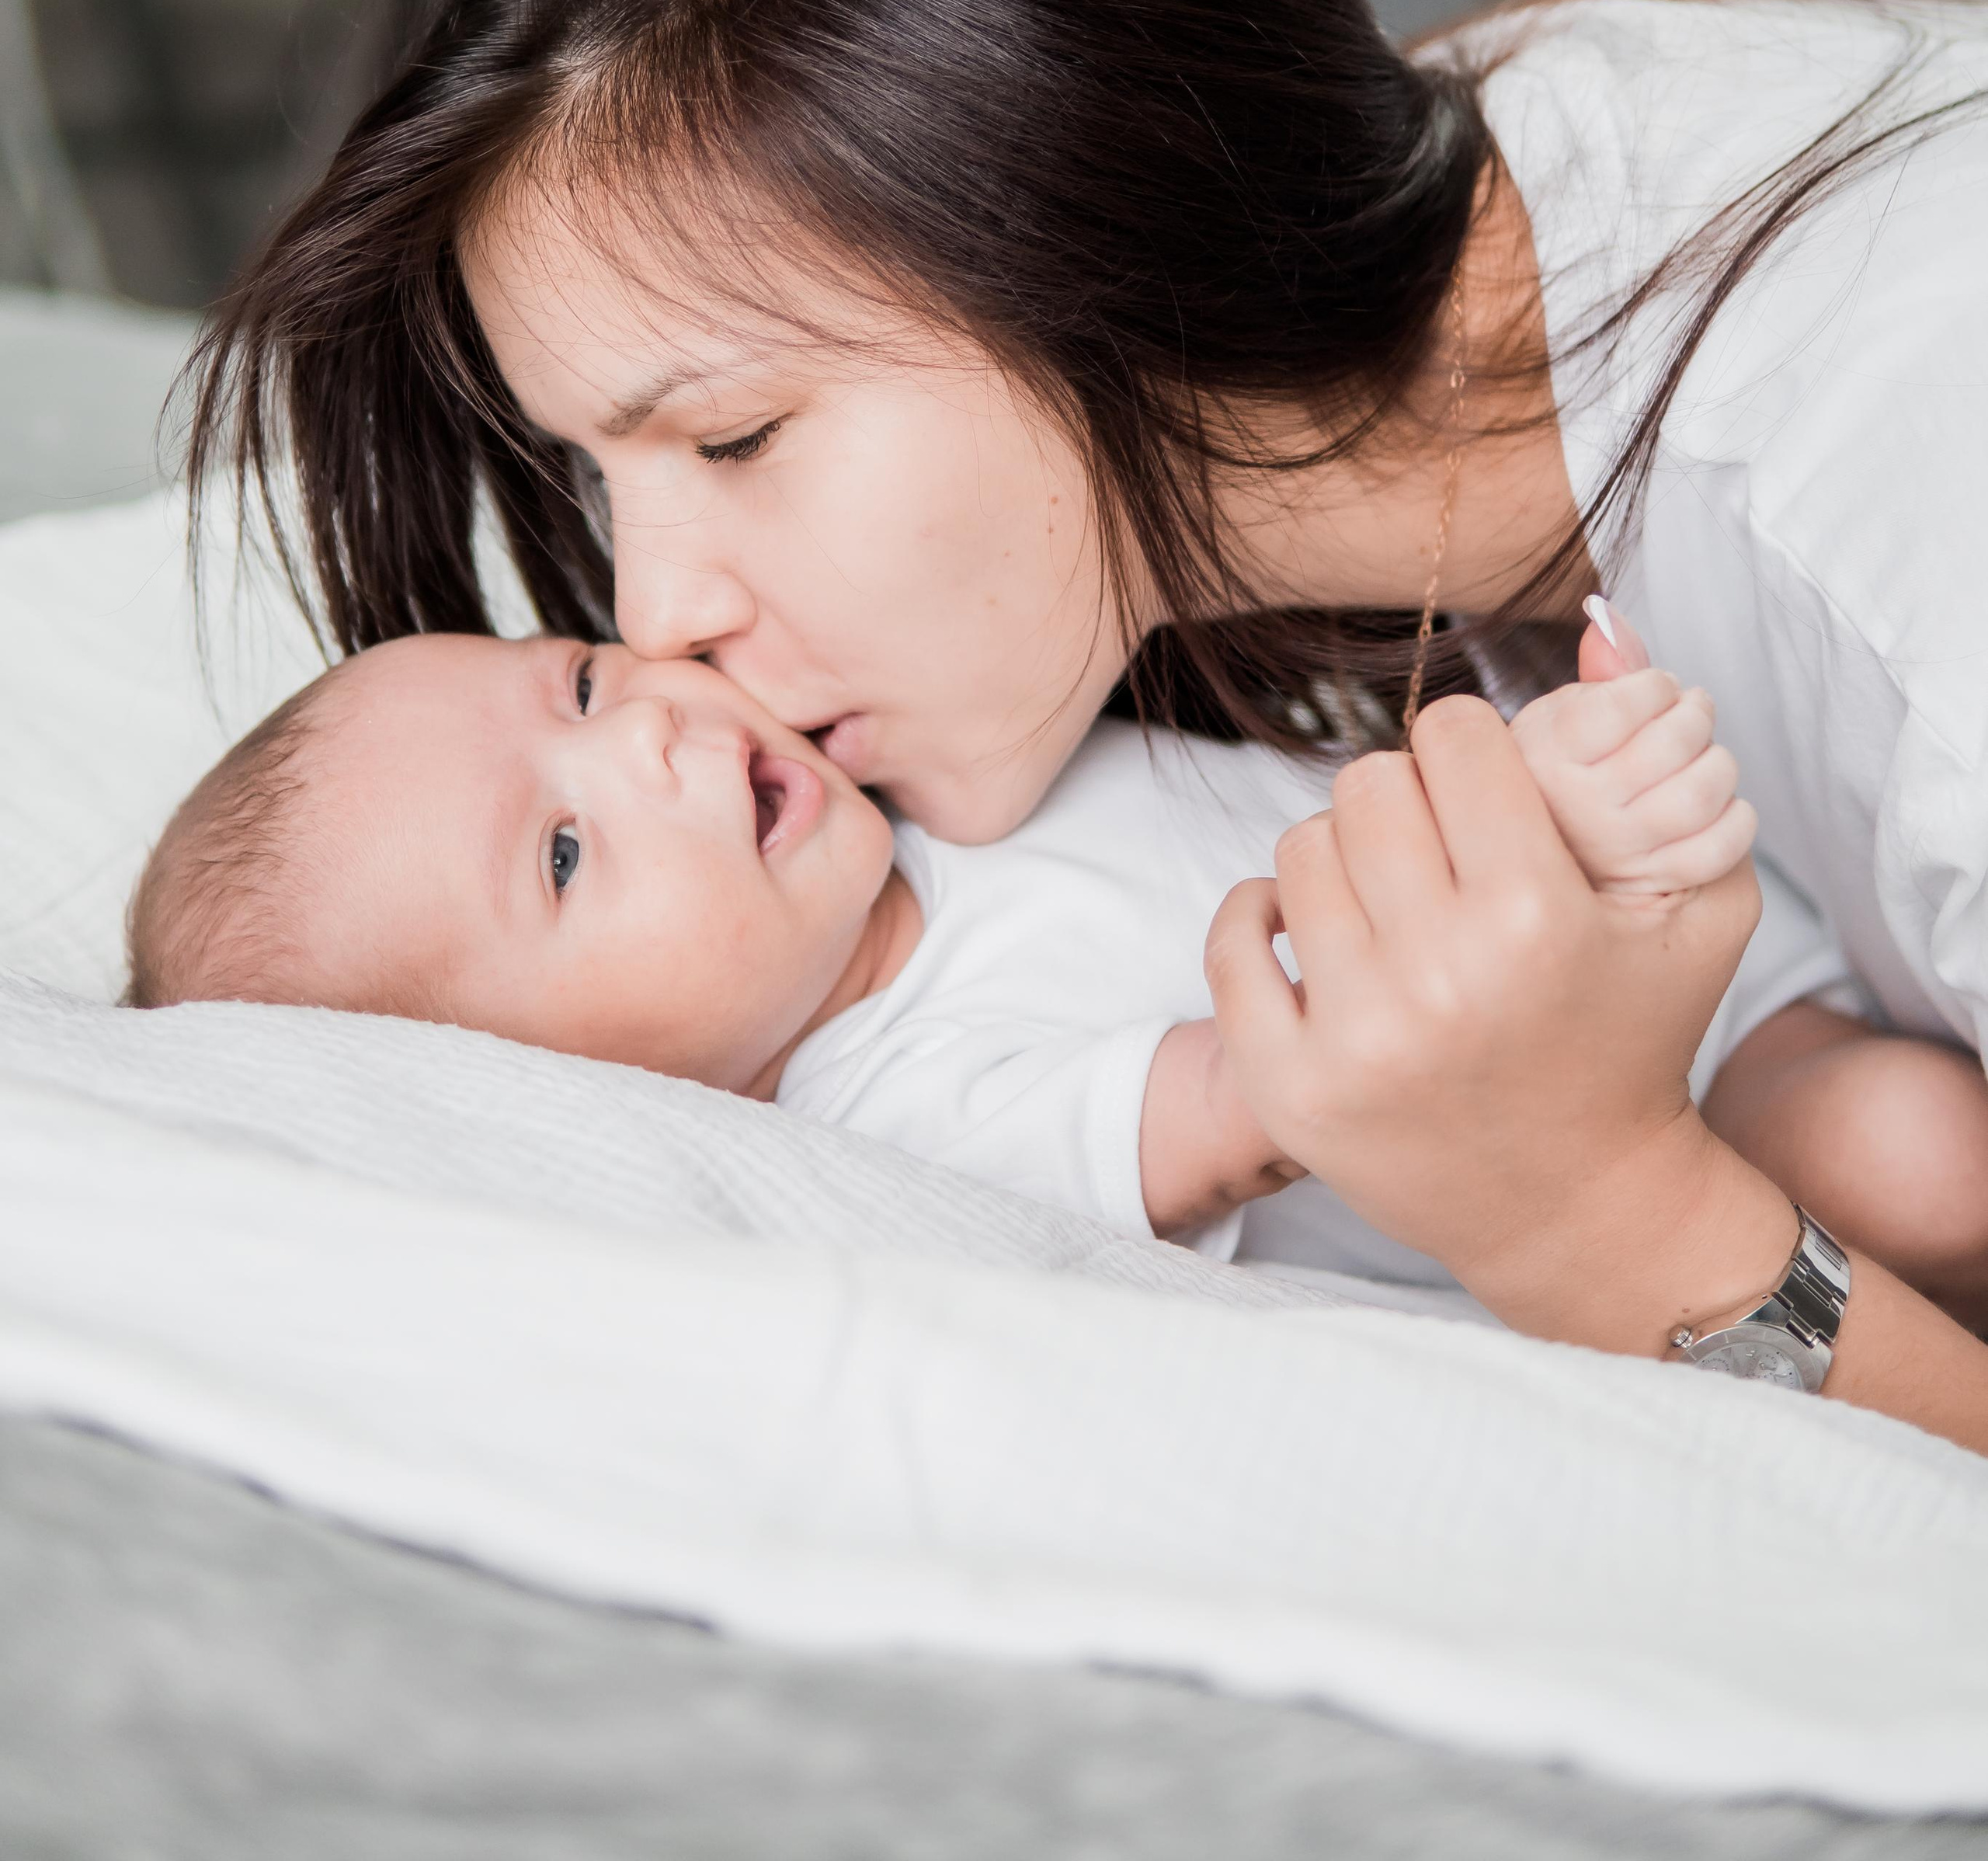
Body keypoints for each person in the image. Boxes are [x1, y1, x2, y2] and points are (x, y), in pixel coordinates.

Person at [186, 0, 1988, 1446]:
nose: (659, 619)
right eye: (601, 478)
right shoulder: (1490, 174)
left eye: (734, 436)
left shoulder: (1904, 548)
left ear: (1097, 239)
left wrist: (1596, 1215)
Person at [134, 620, 1987, 1307]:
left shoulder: (910, 763)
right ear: (575, 1090)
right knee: (1916, 1157)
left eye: (583, 684)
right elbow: (1254, 1096)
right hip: (1678, 1092)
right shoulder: (902, 1111)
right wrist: (1532, 826)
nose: (657, 744)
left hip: (1671, 878)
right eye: (562, 854)